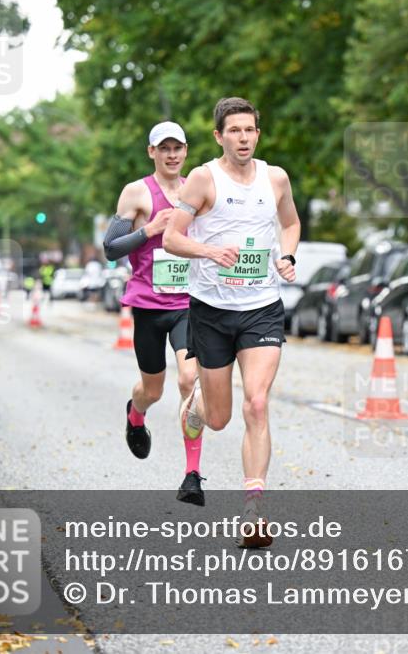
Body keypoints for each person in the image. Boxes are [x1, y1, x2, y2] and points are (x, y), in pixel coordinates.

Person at [164, 97, 299, 547]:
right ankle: (199, 402)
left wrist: (287, 255)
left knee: (257, 403)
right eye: (234, 131)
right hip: (211, 309)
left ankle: (254, 514)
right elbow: (171, 238)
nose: (243, 138)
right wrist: (210, 251)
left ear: (258, 134)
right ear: (219, 135)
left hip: (261, 305)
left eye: (250, 130)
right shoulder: (204, 178)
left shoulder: (275, 177)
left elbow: (291, 224)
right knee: (218, 418)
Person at [103, 121, 203, 505]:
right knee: (153, 390)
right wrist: (149, 231)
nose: (172, 154)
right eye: (164, 148)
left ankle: (192, 475)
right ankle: (136, 413)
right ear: (152, 152)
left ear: (186, 151)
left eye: (178, 148)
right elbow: (111, 248)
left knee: (190, 379)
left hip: (187, 305)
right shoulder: (137, 192)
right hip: (147, 305)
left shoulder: (198, 189)